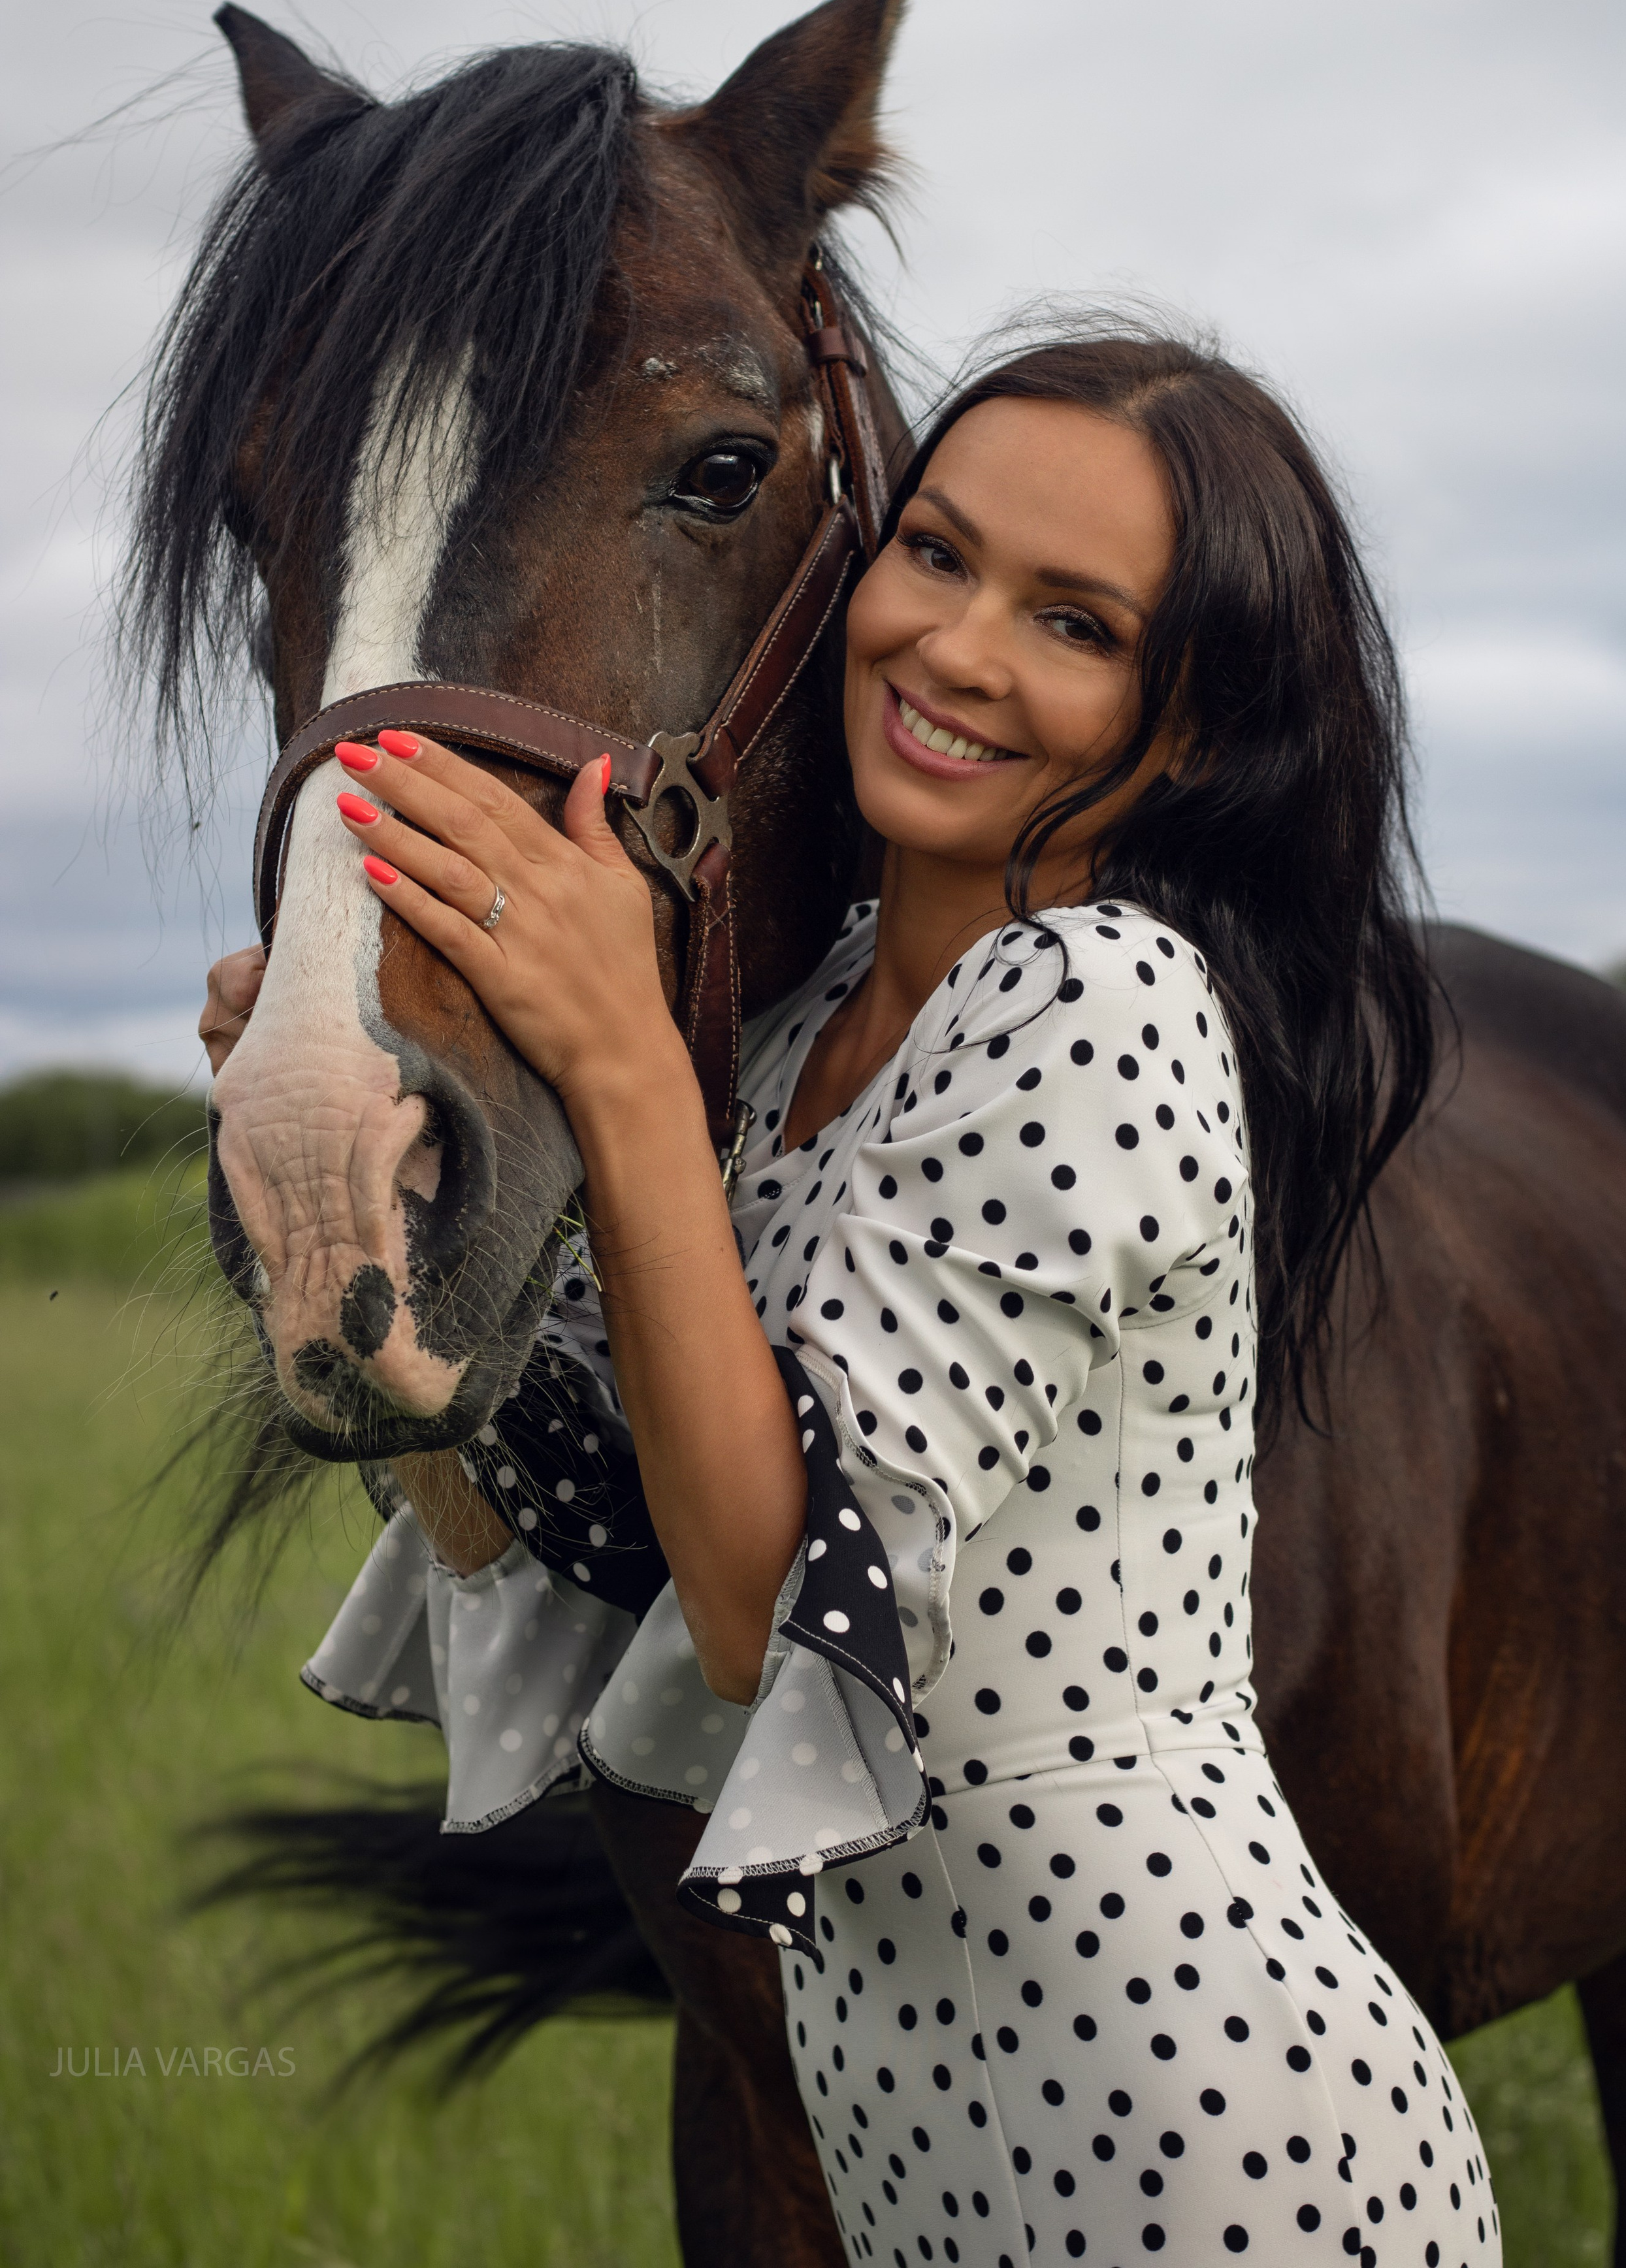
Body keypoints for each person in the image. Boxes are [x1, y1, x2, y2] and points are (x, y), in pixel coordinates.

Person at [201, 326, 1500, 2266]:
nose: (959, 650)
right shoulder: (807, 1038)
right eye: (941, 555)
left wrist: (626, 1068)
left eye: (1077, 625)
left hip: (1202, 2131)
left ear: (1197, 726)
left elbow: (761, 1610)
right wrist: (365, 1217)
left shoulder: (1102, 1006)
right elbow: (580, 1519)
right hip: (907, 2129)